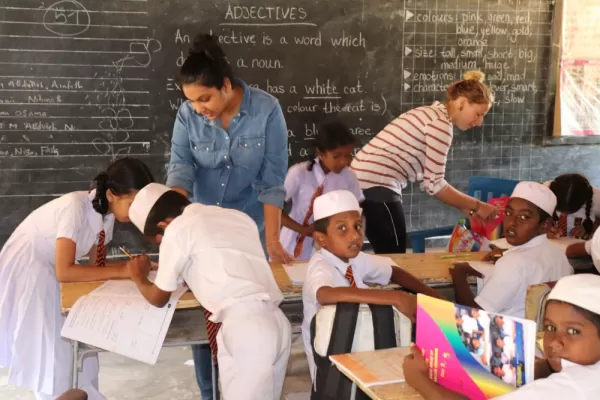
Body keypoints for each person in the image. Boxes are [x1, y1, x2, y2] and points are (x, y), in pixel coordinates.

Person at [165, 33, 290, 396]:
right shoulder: (188, 115)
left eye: (204, 98)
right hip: (203, 230)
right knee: (207, 312)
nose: (198, 107)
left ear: (225, 85)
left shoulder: (266, 110)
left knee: (247, 317)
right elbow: (181, 169)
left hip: (249, 231)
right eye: (190, 101)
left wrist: (272, 241)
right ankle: (209, 392)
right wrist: (174, 225)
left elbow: (272, 181)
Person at [0, 158, 155, 400]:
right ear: (113, 194)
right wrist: (126, 271)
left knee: (81, 344)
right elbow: (66, 271)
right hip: (31, 267)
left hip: (52, 268)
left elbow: (97, 266)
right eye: (133, 203)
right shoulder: (75, 207)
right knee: (52, 351)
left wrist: (135, 267)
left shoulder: (107, 216)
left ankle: (85, 393)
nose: (138, 212)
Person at [126, 183, 291, 400]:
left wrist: (138, 276)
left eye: (159, 241)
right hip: (275, 323)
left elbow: (158, 297)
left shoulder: (177, 230)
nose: (162, 245)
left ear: (163, 224)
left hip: (247, 330)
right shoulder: (236, 217)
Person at [302, 190, 444, 382]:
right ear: (321, 238)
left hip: (364, 349)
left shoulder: (354, 259)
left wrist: (429, 293)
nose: (354, 236)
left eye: (357, 226)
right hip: (333, 368)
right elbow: (325, 294)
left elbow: (392, 270)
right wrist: (396, 297)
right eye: (342, 228)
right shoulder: (320, 265)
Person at [351, 70, 498, 254]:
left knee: (387, 255)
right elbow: (434, 185)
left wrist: (465, 207)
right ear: (462, 103)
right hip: (376, 184)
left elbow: (428, 181)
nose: (479, 122)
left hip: (361, 183)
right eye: (478, 114)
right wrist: (478, 206)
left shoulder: (431, 113)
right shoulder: (440, 125)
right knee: (394, 257)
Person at [402, 273, 600, 399]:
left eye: (573, 331)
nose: (555, 341)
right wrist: (547, 368)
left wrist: (419, 379)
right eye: (549, 327)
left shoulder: (570, 387)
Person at [451, 181, 573, 319]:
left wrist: (458, 272)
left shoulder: (514, 263)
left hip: (507, 336)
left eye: (524, 217)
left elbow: (474, 316)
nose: (511, 223)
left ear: (545, 225)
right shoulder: (560, 257)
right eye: (509, 213)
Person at [281, 120, 363, 260]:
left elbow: (357, 213)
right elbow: (274, 209)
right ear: (320, 153)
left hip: (334, 245)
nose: (344, 161)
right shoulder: (299, 173)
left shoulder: (349, 176)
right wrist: (302, 230)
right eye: (336, 156)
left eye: (348, 155)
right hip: (293, 241)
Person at [546, 174, 600, 239]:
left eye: (570, 212)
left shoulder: (597, 198)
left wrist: (590, 229)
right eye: (560, 210)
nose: (564, 214)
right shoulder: (543, 192)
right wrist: (544, 230)